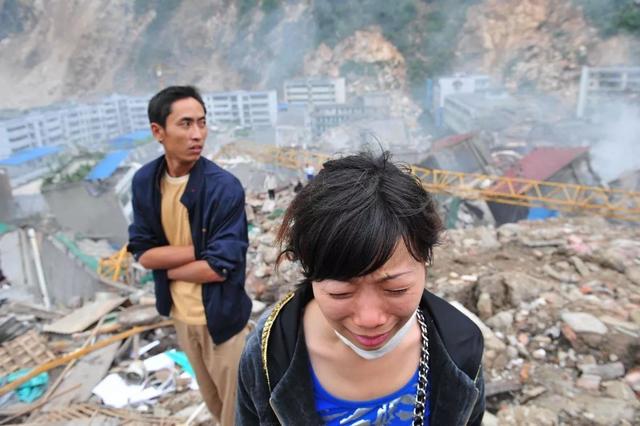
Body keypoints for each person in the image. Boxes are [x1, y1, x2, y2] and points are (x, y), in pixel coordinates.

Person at [237, 152, 485, 425]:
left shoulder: (460, 351)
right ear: (310, 273)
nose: (369, 319)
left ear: (425, 262)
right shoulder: (270, 354)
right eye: (340, 293)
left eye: (396, 289)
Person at [127, 86, 251, 426]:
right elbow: (141, 251)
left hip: (222, 320)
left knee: (236, 412)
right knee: (212, 402)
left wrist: (165, 268)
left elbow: (219, 266)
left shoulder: (223, 187)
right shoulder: (145, 183)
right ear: (158, 132)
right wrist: (197, 252)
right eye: (185, 124)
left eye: (202, 123)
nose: (197, 134)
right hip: (181, 317)